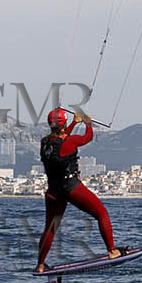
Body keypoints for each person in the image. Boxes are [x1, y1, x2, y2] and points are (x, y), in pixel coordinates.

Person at [35, 108, 119, 272]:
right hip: (71, 187)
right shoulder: (70, 141)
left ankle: (40, 265)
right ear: (64, 123)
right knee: (101, 214)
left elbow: (62, 140)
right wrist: (88, 123)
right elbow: (87, 137)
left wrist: (75, 122)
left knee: (50, 228)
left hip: (53, 191)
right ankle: (112, 251)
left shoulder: (45, 143)